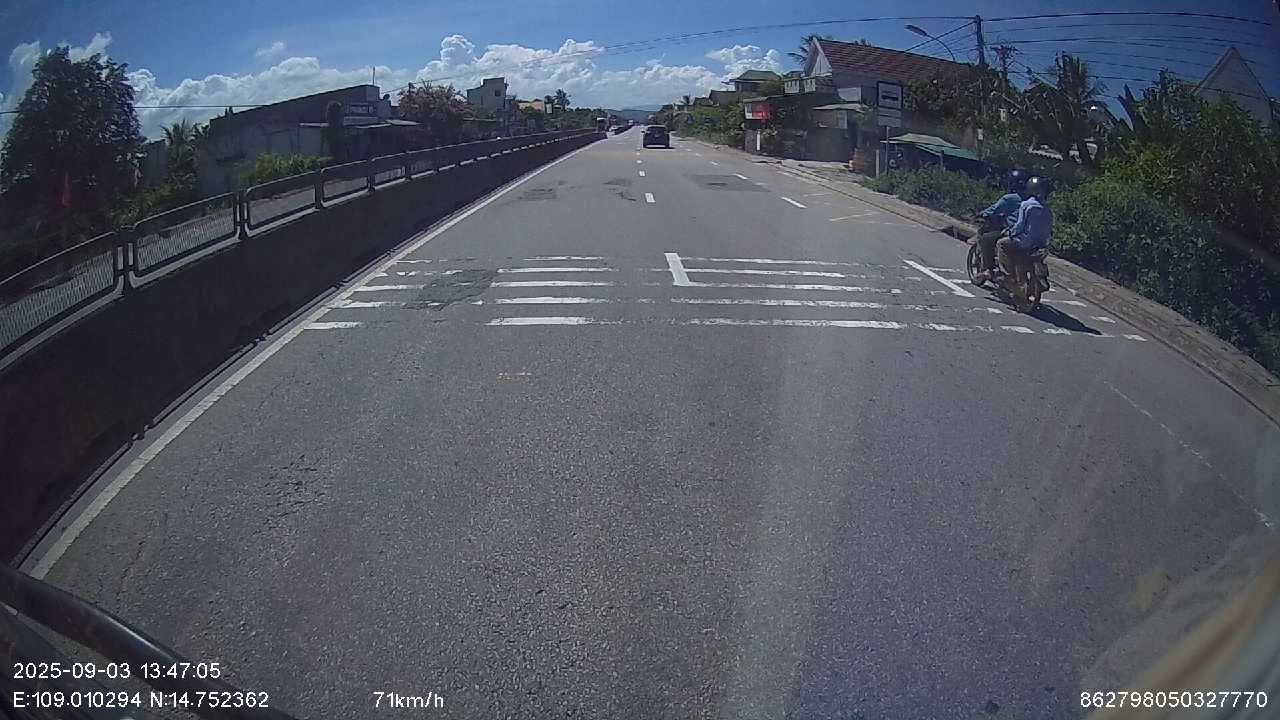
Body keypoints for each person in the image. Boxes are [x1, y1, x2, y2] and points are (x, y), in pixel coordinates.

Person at [975, 175, 1052, 285]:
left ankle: (999, 272)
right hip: (1040, 243)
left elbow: (1018, 224)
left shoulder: (1017, 201)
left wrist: (1010, 233)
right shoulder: (1046, 207)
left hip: (1021, 237)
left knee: (990, 240)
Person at [973, 170, 1026, 282]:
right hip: (1027, 235)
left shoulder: (1009, 198)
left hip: (1012, 232)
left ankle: (989, 269)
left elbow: (994, 209)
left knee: (985, 239)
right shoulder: (1030, 199)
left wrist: (981, 214)